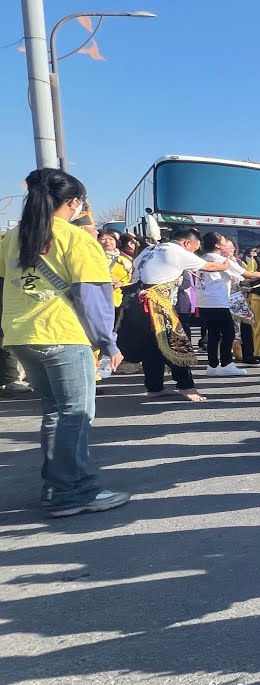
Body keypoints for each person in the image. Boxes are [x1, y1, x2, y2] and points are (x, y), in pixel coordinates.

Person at [0, 169, 129, 517]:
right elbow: (93, 297)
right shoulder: (75, 239)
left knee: (55, 413)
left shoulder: (13, 237)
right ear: (73, 202)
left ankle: (57, 487)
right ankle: (71, 491)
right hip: (63, 334)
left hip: (22, 335)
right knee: (76, 414)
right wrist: (108, 342)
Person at [122, 228, 229, 401]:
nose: (195, 252)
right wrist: (227, 264)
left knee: (152, 347)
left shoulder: (150, 249)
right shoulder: (177, 251)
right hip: (156, 305)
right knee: (177, 343)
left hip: (134, 303)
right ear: (187, 243)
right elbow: (210, 266)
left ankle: (154, 387)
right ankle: (187, 387)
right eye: (195, 248)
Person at [196, 232, 260, 377]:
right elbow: (249, 274)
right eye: (225, 242)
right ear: (217, 245)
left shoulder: (203, 258)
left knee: (213, 334)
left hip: (203, 301)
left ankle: (212, 365)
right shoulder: (221, 260)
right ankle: (226, 363)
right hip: (217, 302)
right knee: (228, 332)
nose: (227, 244)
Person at [98, 229, 132, 326]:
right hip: (100, 301)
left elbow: (132, 280)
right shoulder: (92, 259)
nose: (107, 242)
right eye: (103, 239)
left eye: (111, 239)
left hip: (120, 301)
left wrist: (122, 284)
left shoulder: (125, 261)